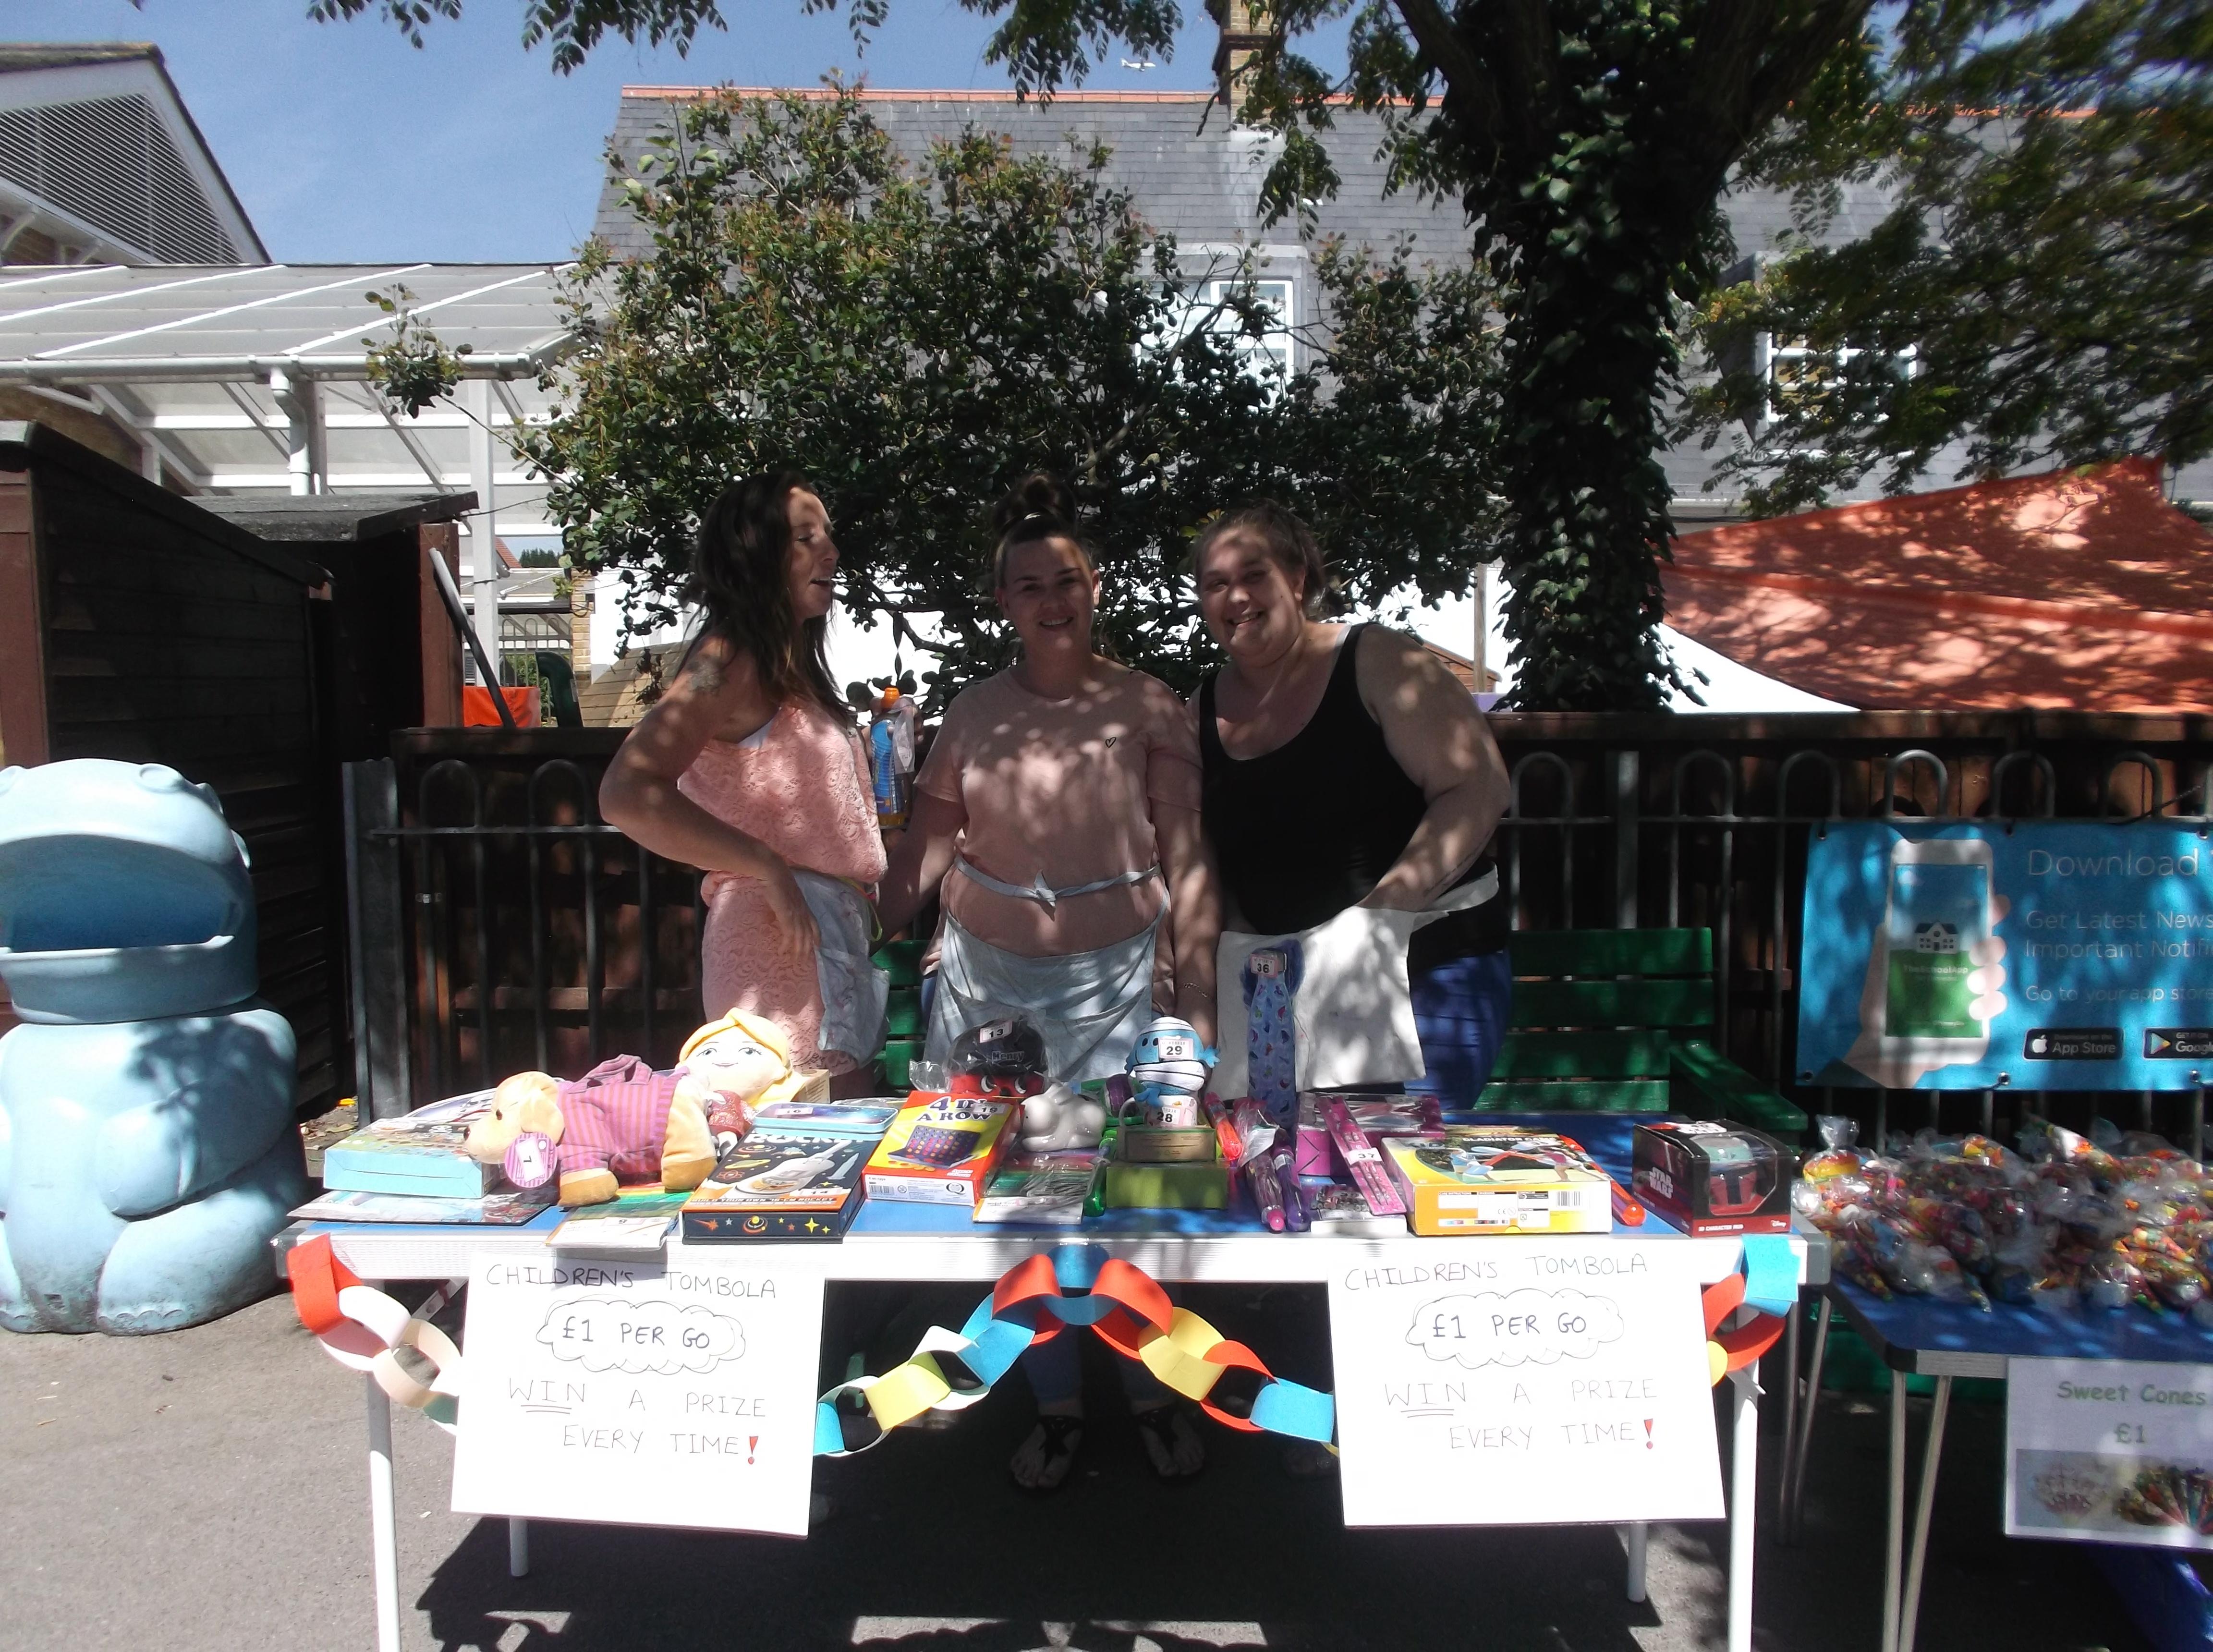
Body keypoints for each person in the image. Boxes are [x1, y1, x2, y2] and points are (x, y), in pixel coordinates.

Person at [876, 473, 1218, 1491]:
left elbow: (1189, 860)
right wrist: (849, 922)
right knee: (1020, 1210)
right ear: (1003, 602)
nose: (1050, 599)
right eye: (1028, 585)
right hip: (988, 993)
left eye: (1066, 580)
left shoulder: (1148, 704)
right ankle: (1057, 1404)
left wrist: (1199, 997)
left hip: (1121, 987)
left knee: (1125, 1200)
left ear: (1095, 586)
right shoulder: (974, 712)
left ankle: (1152, 1391)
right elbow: (925, 853)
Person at [1192, 500, 1513, 1105]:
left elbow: (1479, 788)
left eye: (1254, 575)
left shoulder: (1379, 660)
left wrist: (1373, 920)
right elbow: (1210, 858)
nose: (1236, 596)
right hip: (1287, 997)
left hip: (1429, 973)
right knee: (1290, 1159)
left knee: (1407, 1157)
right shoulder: (1200, 708)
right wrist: (1247, 958)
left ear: (1297, 578)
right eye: (1216, 584)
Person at [599, 471, 888, 1081]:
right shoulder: (727, 659)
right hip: (772, 941)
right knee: (784, 1125)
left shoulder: (788, 667)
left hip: (821, 942)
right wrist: (766, 864)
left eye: (827, 535)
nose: (831, 551)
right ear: (757, 556)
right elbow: (627, 792)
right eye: (805, 538)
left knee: (826, 1123)